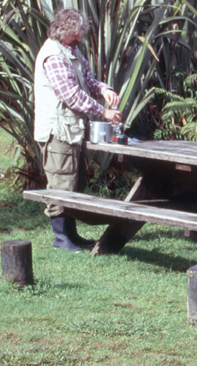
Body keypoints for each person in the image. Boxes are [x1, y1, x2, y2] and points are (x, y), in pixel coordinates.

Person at [33, 8, 122, 252]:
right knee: (62, 184)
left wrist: (103, 89)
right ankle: (61, 238)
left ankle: (70, 235)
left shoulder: (70, 50)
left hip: (70, 130)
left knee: (74, 183)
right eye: (75, 35)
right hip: (57, 131)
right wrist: (104, 112)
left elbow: (87, 81)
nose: (80, 39)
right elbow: (70, 95)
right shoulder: (53, 55)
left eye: (80, 34)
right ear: (61, 31)